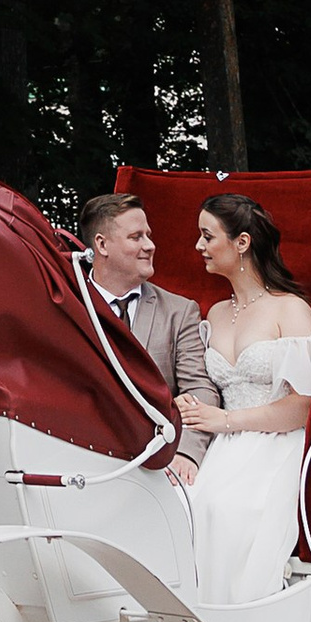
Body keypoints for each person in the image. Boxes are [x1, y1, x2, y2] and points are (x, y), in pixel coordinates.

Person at [174, 191, 311, 604]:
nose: (199, 246)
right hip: (224, 450)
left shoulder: (289, 310)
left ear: (241, 243)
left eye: (208, 236)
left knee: (232, 513)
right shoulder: (216, 315)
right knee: (183, 508)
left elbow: (306, 404)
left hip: (278, 449)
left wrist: (223, 421)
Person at [78, 192, 212, 478]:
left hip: (159, 464)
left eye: (148, 235)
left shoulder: (180, 311)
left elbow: (200, 390)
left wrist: (186, 453)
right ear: (101, 244)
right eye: (136, 237)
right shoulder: (70, 306)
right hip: (82, 461)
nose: (150, 246)